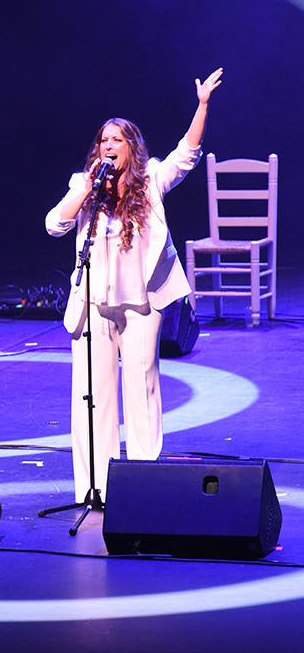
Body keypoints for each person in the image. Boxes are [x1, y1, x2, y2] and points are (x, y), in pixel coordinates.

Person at [45, 67, 223, 502]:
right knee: (93, 395)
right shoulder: (85, 186)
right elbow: (54, 225)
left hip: (142, 303)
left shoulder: (151, 181)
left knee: (141, 387)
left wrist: (201, 106)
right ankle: (96, 487)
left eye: (116, 140)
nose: (107, 146)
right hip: (93, 306)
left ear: (131, 147)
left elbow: (187, 154)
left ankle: (144, 485)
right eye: (103, 141)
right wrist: (86, 188)